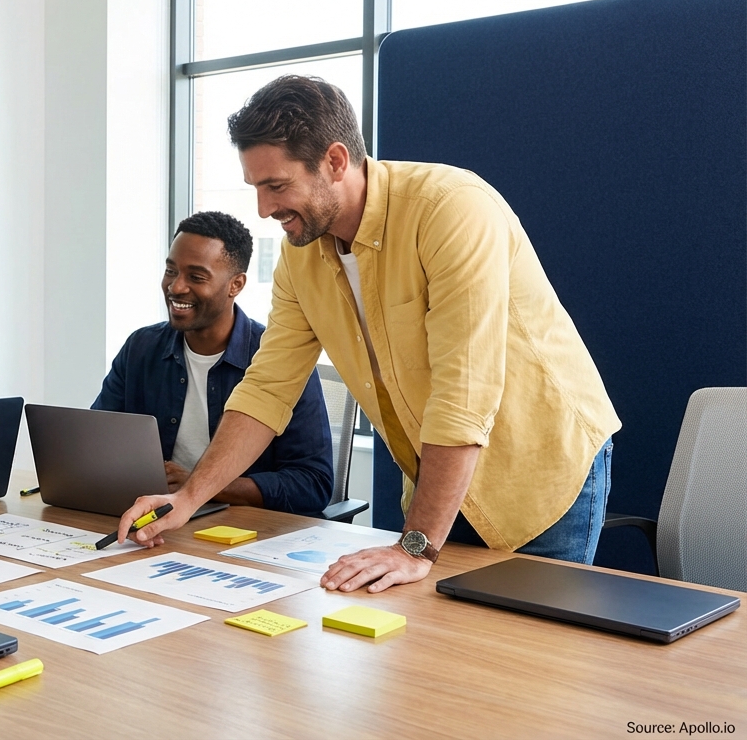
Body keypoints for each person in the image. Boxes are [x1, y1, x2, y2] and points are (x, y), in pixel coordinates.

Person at [116, 75, 620, 595]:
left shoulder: (451, 209)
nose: (264, 209)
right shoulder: (300, 256)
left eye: (277, 186)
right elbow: (267, 389)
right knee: (439, 643)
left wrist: (415, 546)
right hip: (439, 481)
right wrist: (188, 499)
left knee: (527, 643)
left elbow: (463, 394)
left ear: (335, 161)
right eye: (256, 188)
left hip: (538, 475)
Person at [92, 210, 334, 513]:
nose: (176, 287)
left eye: (196, 277)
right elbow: (96, 445)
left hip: (244, 528)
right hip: (155, 517)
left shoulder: (279, 357)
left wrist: (198, 487)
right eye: (171, 271)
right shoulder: (141, 348)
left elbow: (313, 484)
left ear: (236, 285)